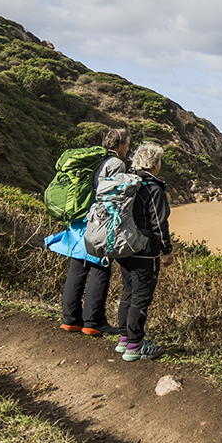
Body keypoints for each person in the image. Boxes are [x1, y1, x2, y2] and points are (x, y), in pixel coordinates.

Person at [57, 127, 130, 336]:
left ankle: (70, 319)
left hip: (80, 219)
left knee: (77, 267)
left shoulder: (93, 159)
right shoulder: (116, 163)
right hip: (98, 222)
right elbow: (113, 196)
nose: (128, 148)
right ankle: (93, 321)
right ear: (119, 145)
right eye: (127, 144)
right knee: (100, 269)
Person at [114, 142, 173, 361]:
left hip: (123, 247)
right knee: (141, 298)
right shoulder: (153, 188)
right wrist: (167, 250)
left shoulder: (128, 183)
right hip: (144, 251)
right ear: (155, 163)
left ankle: (124, 339)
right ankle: (135, 345)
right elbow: (159, 223)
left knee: (128, 293)